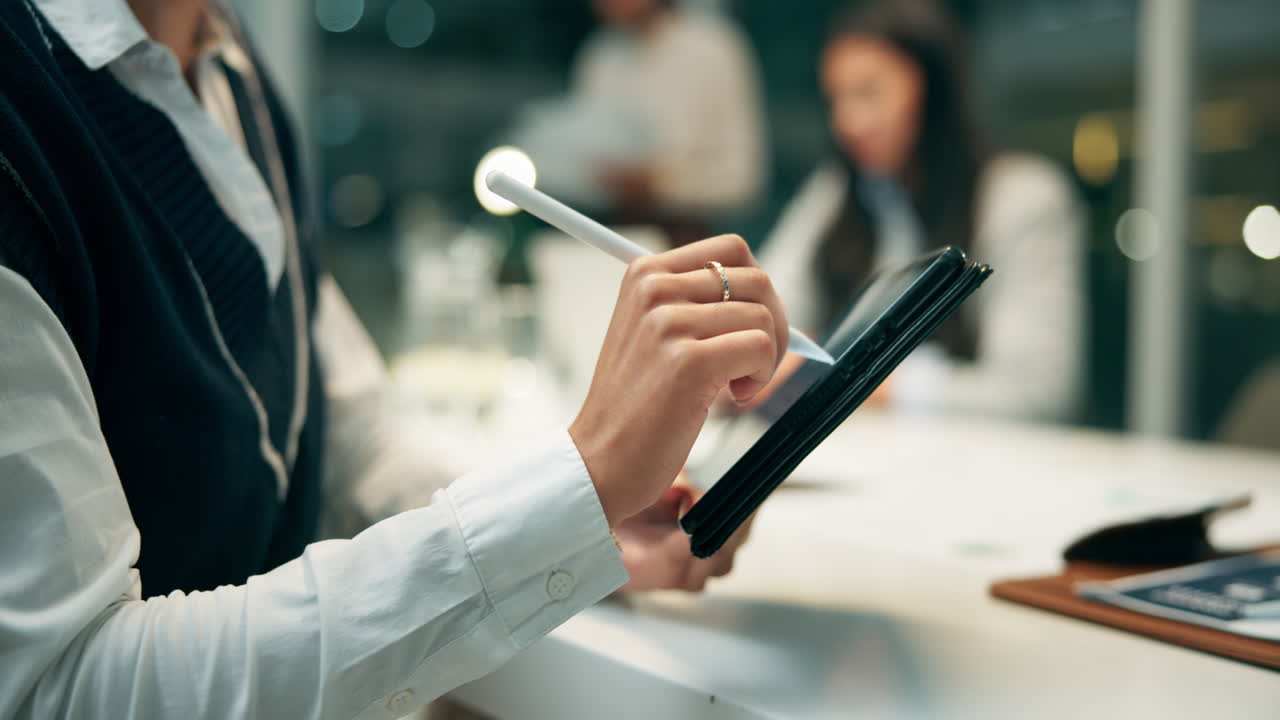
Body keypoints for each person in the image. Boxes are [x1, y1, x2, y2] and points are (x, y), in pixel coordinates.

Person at [0, 1, 785, 717]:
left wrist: (581, 518)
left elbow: (353, 445)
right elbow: (62, 690)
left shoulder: (229, 66)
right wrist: (586, 475)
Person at [759, 0, 1086, 422]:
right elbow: (769, 318)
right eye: (836, 99)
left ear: (932, 89)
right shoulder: (837, 192)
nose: (848, 121)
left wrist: (845, 377)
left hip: (981, 466)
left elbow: (1038, 391)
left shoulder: (1022, 198)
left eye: (868, 93)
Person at [572, 0, 767, 246]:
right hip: (612, 237)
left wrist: (658, 185)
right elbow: (580, 165)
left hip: (693, 243)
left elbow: (742, 177)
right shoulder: (600, 56)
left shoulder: (713, 50)